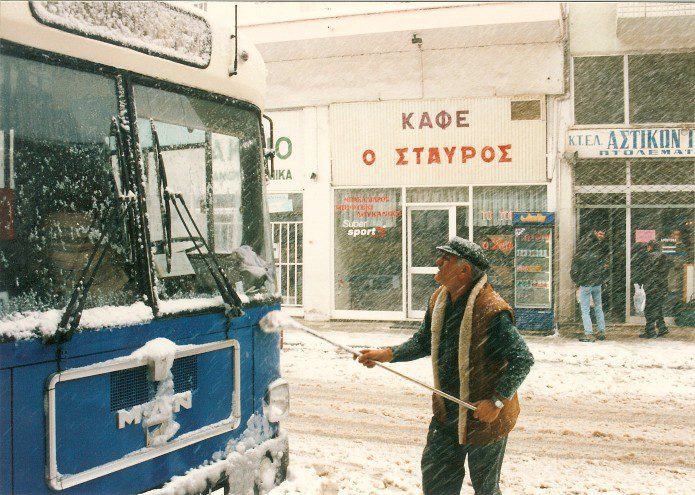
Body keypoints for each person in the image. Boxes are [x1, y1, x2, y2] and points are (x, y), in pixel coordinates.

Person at [356, 237, 534, 495]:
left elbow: (522, 359)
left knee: (486, 489)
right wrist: (387, 354)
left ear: (464, 271)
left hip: (482, 416)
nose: (437, 262)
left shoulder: (492, 310)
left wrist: (496, 401)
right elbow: (423, 341)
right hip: (447, 413)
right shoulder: (438, 299)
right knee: (437, 484)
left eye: (446, 259)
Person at [570, 228, 609, 342]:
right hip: (597, 284)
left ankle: (589, 333)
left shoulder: (579, 254)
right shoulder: (599, 253)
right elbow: (604, 268)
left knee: (585, 310)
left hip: (586, 284)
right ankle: (601, 331)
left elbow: (574, 271)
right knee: (598, 307)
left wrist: (578, 282)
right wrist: (601, 279)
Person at [635, 240, 671, 338]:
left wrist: (639, 283)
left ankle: (650, 332)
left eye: (648, 246)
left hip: (651, 286)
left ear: (650, 247)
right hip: (661, 286)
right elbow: (665, 272)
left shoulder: (648, 257)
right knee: (657, 307)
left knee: (649, 309)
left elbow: (645, 272)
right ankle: (662, 328)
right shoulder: (664, 257)